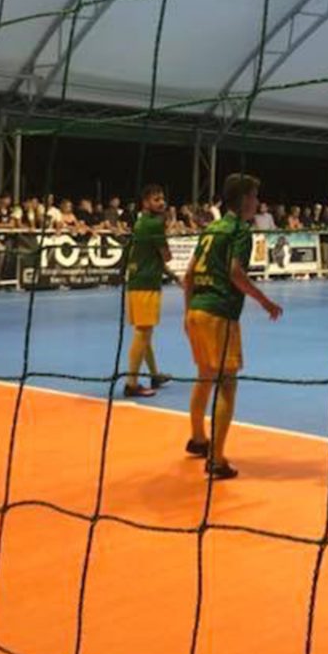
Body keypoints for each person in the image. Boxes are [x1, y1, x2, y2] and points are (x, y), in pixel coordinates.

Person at [182, 174, 282, 480]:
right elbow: (236, 273)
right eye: (254, 196)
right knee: (227, 383)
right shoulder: (240, 230)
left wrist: (187, 313)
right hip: (220, 313)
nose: (257, 202)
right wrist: (265, 302)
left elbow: (188, 275)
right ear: (244, 200)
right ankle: (216, 459)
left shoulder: (211, 228)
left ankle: (198, 439)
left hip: (196, 311)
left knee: (204, 376)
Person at [123, 184, 173, 398]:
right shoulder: (154, 224)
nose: (161, 202)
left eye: (162, 198)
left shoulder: (140, 222)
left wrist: (173, 276)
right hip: (146, 284)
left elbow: (152, 256)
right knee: (143, 333)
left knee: (145, 333)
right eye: (156, 199)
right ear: (145, 202)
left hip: (136, 282)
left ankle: (154, 375)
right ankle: (131, 383)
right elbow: (166, 256)